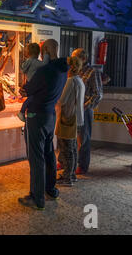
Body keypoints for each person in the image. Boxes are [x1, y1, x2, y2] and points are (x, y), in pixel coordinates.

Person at [18, 39, 68, 210]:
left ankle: (37, 197)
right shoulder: (62, 69)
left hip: (36, 115)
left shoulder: (45, 71)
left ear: (45, 50)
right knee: (49, 154)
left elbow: (26, 90)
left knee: (36, 156)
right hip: (50, 115)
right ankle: (50, 189)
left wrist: (24, 89)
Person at [71, 48, 103, 174]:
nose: (73, 61)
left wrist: (84, 106)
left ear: (84, 59)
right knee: (71, 137)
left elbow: (98, 94)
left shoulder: (92, 72)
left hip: (85, 110)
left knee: (83, 138)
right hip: (72, 109)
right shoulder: (74, 71)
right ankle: (68, 162)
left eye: (76, 58)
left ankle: (82, 165)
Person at [56, 56, 85, 187]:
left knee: (67, 148)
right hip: (78, 118)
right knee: (73, 149)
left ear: (70, 67)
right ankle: (72, 175)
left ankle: (67, 177)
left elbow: (62, 100)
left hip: (68, 117)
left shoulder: (70, 81)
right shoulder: (80, 80)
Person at [18, 43, 50, 122]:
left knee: (31, 97)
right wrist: (46, 54)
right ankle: (22, 111)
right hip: (34, 83)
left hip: (30, 82)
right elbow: (45, 64)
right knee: (32, 97)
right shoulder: (34, 62)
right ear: (37, 53)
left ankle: (23, 112)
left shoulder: (28, 61)